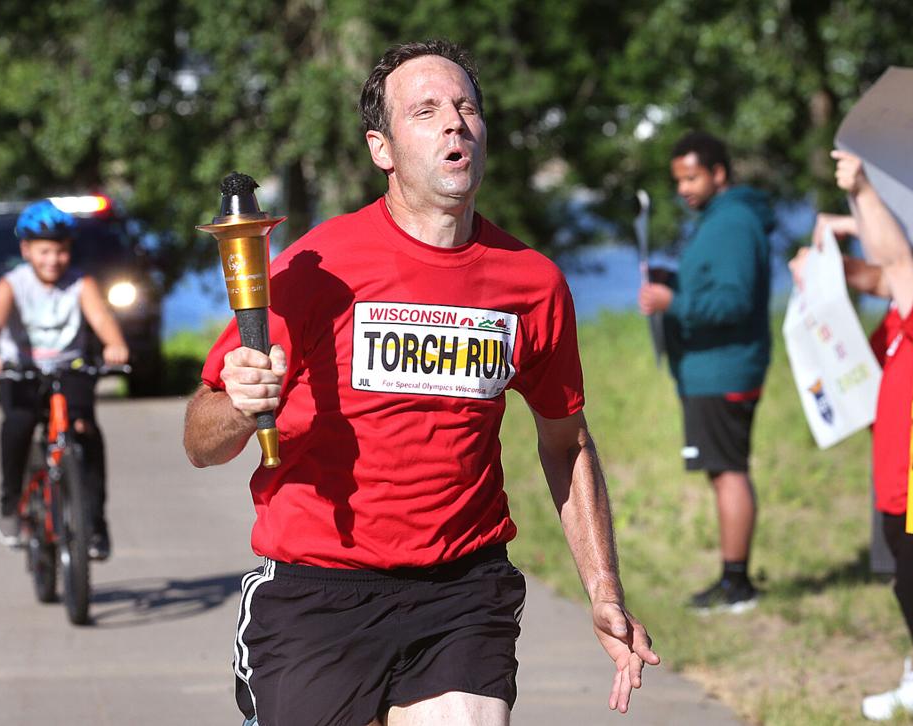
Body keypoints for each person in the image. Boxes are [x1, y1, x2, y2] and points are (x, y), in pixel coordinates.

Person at [182, 39, 659, 726]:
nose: (454, 124)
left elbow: (566, 443)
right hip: (320, 593)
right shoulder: (317, 268)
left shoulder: (532, 284)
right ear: (383, 148)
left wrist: (604, 589)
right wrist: (239, 404)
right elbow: (202, 440)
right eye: (426, 111)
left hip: (460, 592)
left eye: (466, 107)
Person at [792, 152, 913, 724]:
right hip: (897, 497)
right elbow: (875, 272)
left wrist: (866, 190)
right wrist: (829, 251)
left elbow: (894, 264)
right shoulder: (901, 317)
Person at [638, 131, 773, 612]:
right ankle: (734, 579)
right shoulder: (719, 219)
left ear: (719, 173)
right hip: (710, 369)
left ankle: (737, 584)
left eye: (693, 177)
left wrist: (673, 300)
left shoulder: (733, 222)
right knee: (722, 471)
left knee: (728, 472)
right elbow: (719, 284)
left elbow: (735, 300)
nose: (684, 189)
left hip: (724, 370)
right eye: (679, 180)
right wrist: (673, 281)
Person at [0, 198, 129, 560]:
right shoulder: (11, 285)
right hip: (21, 371)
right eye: (44, 252)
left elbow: (102, 319)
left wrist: (115, 345)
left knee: (85, 430)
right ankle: (11, 504)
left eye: (60, 252)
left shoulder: (80, 284)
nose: (52, 260)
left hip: (68, 369)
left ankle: (95, 522)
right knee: (17, 425)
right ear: (26, 250)